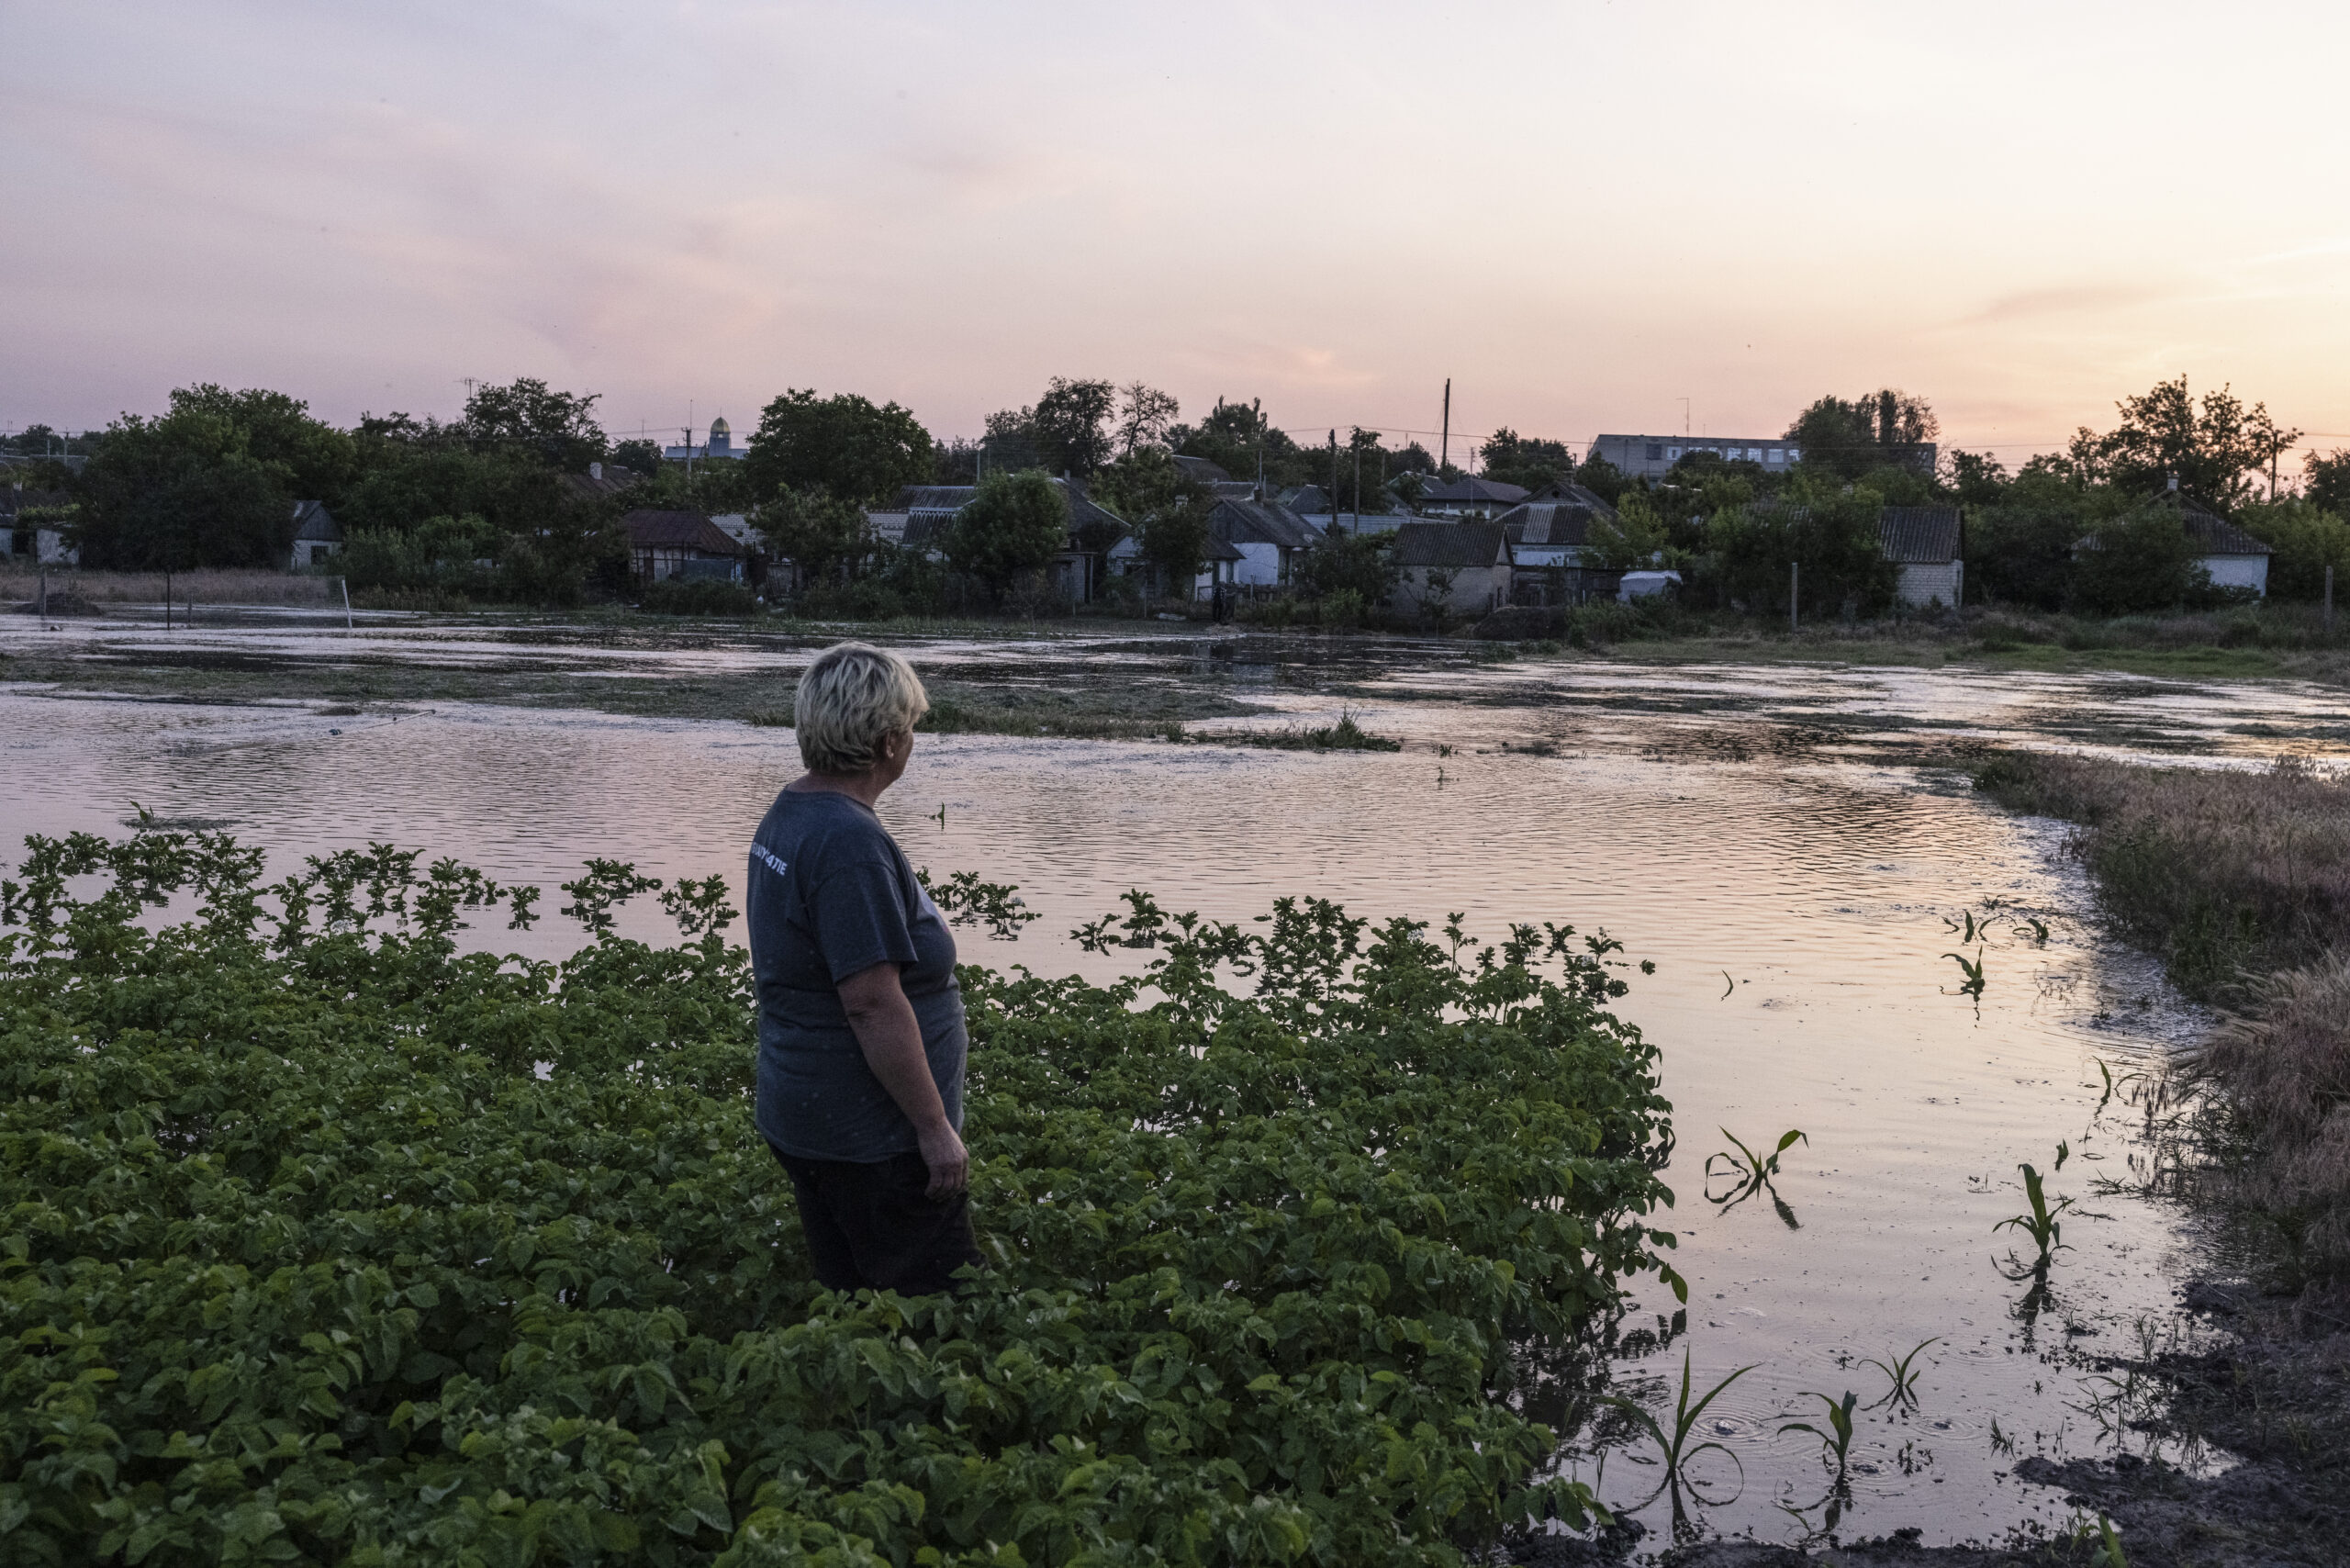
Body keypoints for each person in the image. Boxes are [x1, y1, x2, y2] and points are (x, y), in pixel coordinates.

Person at [746, 642, 980, 1295]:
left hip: (809, 1114)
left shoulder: (793, 812)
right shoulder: (849, 843)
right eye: (910, 728)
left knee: (855, 1306)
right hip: (871, 1139)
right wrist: (933, 1130)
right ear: (886, 742)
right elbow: (871, 1003)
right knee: (947, 1318)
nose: (913, 740)